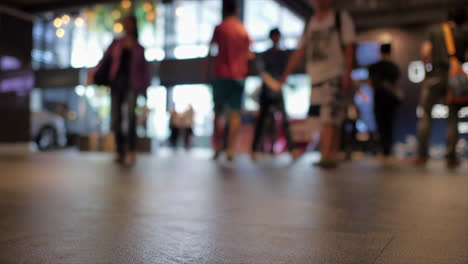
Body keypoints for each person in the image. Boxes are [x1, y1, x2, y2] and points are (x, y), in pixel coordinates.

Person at [281, 0, 356, 169]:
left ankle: (327, 155)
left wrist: (347, 73)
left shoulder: (340, 18)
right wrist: (287, 72)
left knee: (329, 116)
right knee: (322, 119)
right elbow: (301, 50)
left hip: (334, 73)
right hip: (315, 77)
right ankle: (330, 154)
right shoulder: (311, 23)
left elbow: (350, 46)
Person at [88, 16, 150, 166]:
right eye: (125, 23)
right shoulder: (117, 43)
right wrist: (93, 73)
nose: (127, 26)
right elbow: (104, 61)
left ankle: (130, 150)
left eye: (129, 23)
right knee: (115, 117)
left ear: (134, 26)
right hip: (116, 83)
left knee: (130, 117)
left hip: (132, 85)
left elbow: (144, 70)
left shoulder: (139, 47)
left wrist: (145, 89)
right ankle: (119, 150)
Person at [409, 8, 468, 169]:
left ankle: (422, 155)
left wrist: (426, 68)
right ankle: (450, 157)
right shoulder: (464, 34)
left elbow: (425, 52)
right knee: (453, 117)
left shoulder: (435, 31)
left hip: (434, 76)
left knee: (426, 114)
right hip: (454, 79)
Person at [207, 0, 252, 162]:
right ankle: (230, 149)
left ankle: (217, 147)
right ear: (237, 10)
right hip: (238, 76)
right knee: (235, 114)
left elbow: (211, 51)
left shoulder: (220, 28)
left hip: (220, 74)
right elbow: (249, 53)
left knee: (218, 112)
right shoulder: (242, 29)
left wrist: (206, 72)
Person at [251, 28, 303, 161]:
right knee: (261, 121)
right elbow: (262, 72)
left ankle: (292, 149)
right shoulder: (265, 55)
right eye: (274, 36)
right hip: (266, 92)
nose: (276, 39)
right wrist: (272, 84)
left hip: (278, 92)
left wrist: (280, 84)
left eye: (278, 36)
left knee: (285, 121)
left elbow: (286, 71)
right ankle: (254, 150)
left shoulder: (282, 55)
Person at [368, 44, 402, 159]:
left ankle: (384, 151)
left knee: (381, 125)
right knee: (389, 125)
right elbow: (396, 82)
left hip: (379, 99)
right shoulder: (394, 67)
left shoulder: (373, 67)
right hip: (390, 100)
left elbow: (370, 83)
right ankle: (387, 151)